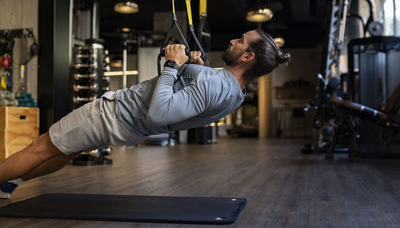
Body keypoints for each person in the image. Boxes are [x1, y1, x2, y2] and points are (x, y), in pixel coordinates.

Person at [0, 29, 290, 198]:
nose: (234, 41)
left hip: (112, 115)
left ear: (248, 57)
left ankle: (7, 181)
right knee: (64, 152)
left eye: (241, 41)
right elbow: (194, 98)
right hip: (128, 128)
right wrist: (195, 67)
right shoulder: (234, 93)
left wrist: (173, 65)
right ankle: (10, 183)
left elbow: (159, 113)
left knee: (39, 147)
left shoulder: (213, 82)